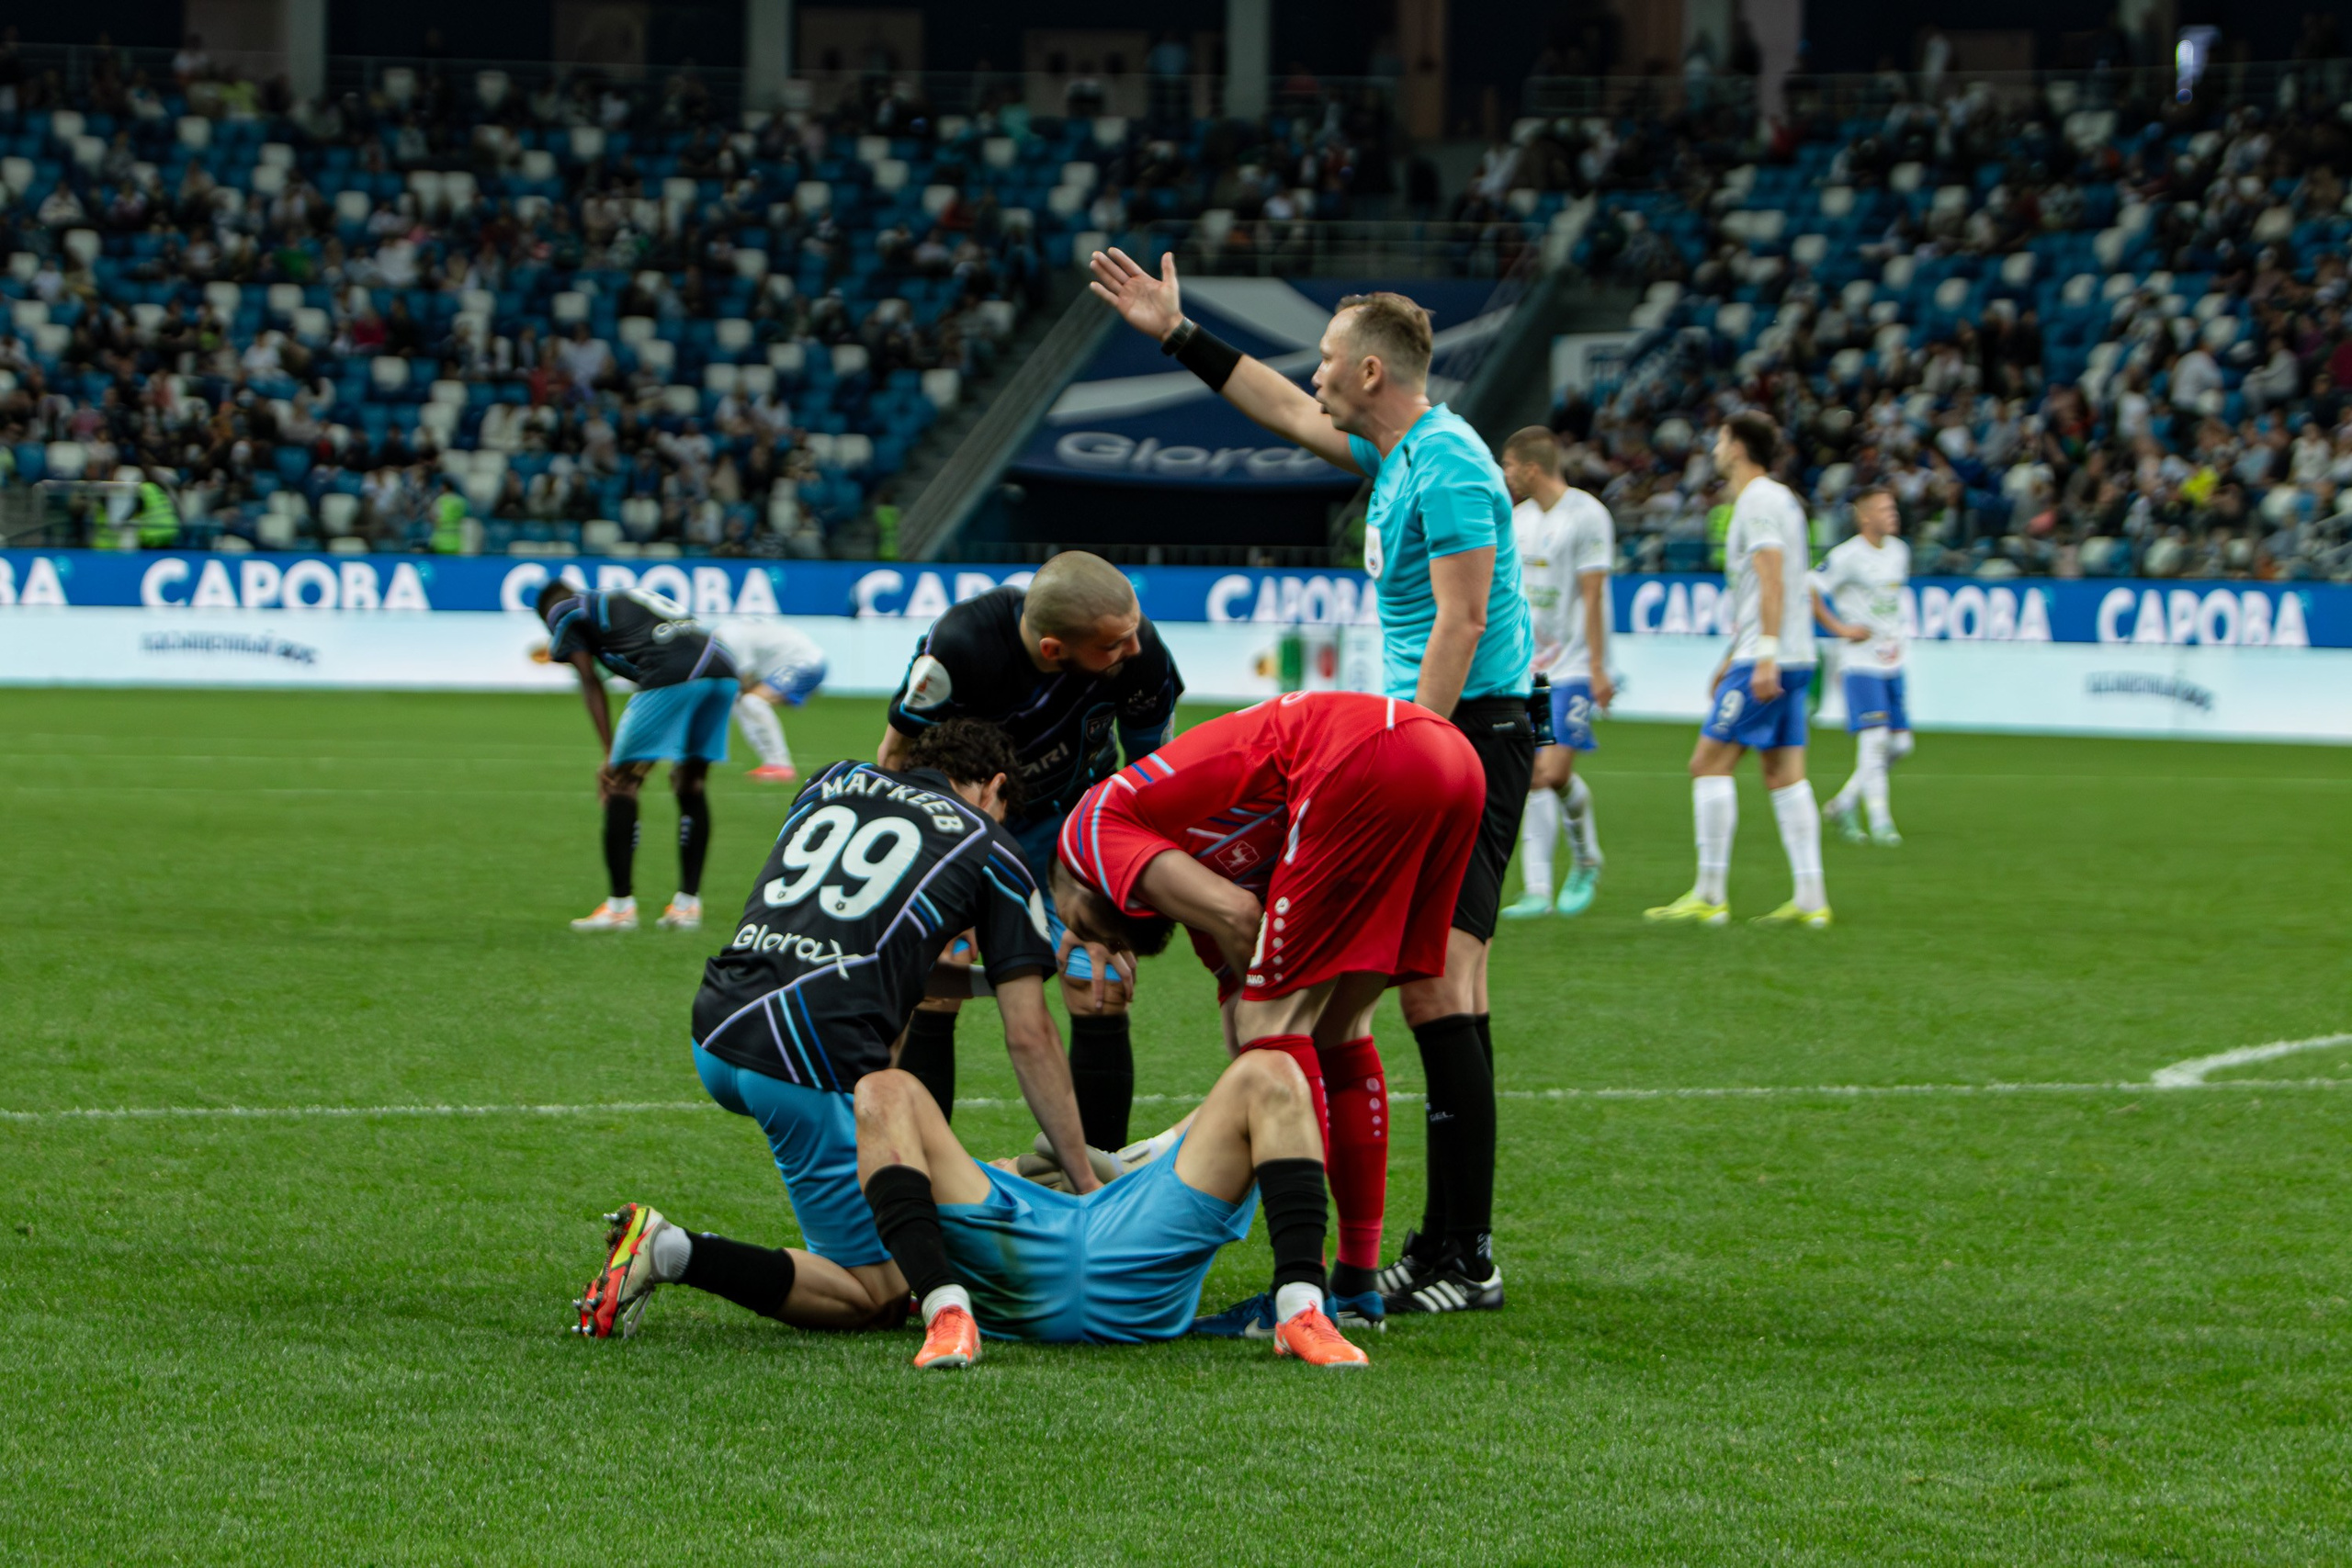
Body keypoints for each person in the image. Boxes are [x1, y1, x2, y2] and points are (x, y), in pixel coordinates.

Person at [1088, 247, 1532, 1315]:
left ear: (1372, 372)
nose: (1315, 372)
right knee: (1428, 989)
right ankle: (1437, 1249)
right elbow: (1283, 409)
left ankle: (1464, 1255)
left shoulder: (1449, 463)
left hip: (1464, 733)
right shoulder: (1400, 454)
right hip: (1435, 738)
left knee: (1442, 984)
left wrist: (1412, 746)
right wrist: (1177, 333)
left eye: (1329, 357)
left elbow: (1465, 620)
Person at [572, 720, 1102, 1341]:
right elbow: (1031, 1035)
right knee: (876, 1296)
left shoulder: (833, 779)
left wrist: (988, 982)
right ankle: (669, 1249)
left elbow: (857, 948)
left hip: (717, 1024)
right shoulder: (992, 845)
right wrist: (1085, 1182)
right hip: (802, 1058)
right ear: (995, 789)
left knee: (893, 1195)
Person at [1051, 690, 1486, 1326]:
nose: (1090, 942)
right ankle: (1356, 1284)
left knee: (1274, 1028)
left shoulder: (1086, 832)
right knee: (1339, 1028)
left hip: (1365, 757)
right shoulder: (1187, 870)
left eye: (1083, 927)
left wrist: (1173, 1148)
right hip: (1449, 760)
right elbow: (1244, 1023)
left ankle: (1304, 1292)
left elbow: (1239, 917)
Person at [877, 550, 1182, 1154]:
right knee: (939, 983)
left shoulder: (1140, 653)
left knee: (1098, 982)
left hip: (1076, 832)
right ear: (1053, 649)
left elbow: (1152, 780)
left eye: (1133, 632)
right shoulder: (959, 648)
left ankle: (1095, 1189)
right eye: (1113, 644)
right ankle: (927, 1178)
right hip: (964, 831)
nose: (1134, 648)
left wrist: (1109, 895)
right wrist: (927, 875)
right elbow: (895, 760)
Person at [854, 1047, 1368, 1370]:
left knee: (1271, 1069)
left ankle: (1301, 1307)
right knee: (881, 1089)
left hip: (1134, 1228)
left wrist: (1119, 1167)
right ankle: (946, 1310)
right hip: (1014, 1229)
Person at [1645, 412, 1830, 929]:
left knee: (1707, 764)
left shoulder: (1757, 501)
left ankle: (1710, 894)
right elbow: (1770, 587)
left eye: (1722, 439)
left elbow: (1772, 579)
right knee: (1783, 774)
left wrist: (1763, 653)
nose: (1715, 448)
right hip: (1790, 654)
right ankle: (1811, 899)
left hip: (1768, 657)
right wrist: (1735, 653)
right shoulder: (1780, 499)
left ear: (1739, 447)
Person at [538, 581, 741, 932]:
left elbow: (589, 680)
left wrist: (610, 754)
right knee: (690, 783)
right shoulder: (617, 598)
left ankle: (620, 909)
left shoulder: (563, 609)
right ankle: (687, 906)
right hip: (722, 665)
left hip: (675, 668)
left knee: (620, 784)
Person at [1497, 426, 1615, 919]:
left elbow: (1594, 594)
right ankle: (1539, 891)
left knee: (1554, 771)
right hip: (1529, 668)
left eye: (1508, 465)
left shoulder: (1588, 515)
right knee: (1534, 775)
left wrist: (1598, 667)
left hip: (1574, 665)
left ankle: (1586, 859)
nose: (1504, 474)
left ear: (1531, 468)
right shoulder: (1518, 519)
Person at [1813, 487, 1913, 847]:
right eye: (1884, 509)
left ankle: (1843, 804)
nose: (1893, 514)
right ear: (1865, 516)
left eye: (1893, 507)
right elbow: (1809, 587)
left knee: (1901, 744)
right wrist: (1839, 628)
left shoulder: (1899, 551)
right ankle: (1881, 821)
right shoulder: (1847, 556)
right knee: (1875, 739)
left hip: (1892, 659)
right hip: (1859, 661)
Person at [716, 615, 828, 783]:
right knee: (745, 703)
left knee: (751, 701)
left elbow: (745, 677)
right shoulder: (729, 631)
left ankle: (780, 765)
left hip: (805, 663)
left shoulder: (730, 638)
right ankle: (773, 763)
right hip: (801, 660)